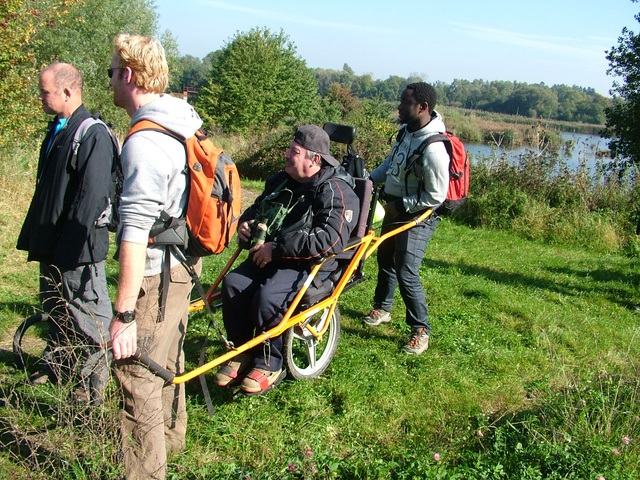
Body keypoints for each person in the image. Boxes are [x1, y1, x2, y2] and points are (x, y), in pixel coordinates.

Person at [107, 34, 202, 480]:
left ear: (128, 75)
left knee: (136, 373)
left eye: (111, 72)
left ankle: (146, 472)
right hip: (184, 266)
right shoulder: (183, 124)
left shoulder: (145, 141)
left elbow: (134, 232)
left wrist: (123, 312)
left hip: (155, 276)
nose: (109, 81)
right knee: (169, 358)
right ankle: (171, 439)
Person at [214, 125, 360, 395]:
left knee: (268, 297)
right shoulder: (280, 180)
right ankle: (244, 348)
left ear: (314, 159)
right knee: (234, 283)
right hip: (274, 254)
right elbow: (258, 209)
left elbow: (330, 240)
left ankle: (271, 362)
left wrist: (277, 248)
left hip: (310, 263)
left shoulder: (335, 190)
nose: (286, 154)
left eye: (294, 151)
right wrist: (246, 225)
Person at [17, 62, 117, 404]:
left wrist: (69, 252)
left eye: (45, 92)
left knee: (89, 315)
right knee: (56, 309)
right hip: (53, 244)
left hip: (78, 249)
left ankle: (92, 385)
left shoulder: (93, 134)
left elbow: (91, 198)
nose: (41, 98)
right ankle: (59, 365)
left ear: (68, 92)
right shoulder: (58, 128)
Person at [363, 82, 450, 355]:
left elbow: (436, 196)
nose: (398, 107)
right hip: (396, 209)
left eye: (404, 103)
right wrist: (366, 181)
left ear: (422, 107)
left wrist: (402, 205)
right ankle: (383, 308)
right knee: (385, 258)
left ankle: (420, 330)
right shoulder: (405, 132)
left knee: (406, 269)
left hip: (420, 215)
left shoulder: (434, 148)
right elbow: (391, 163)